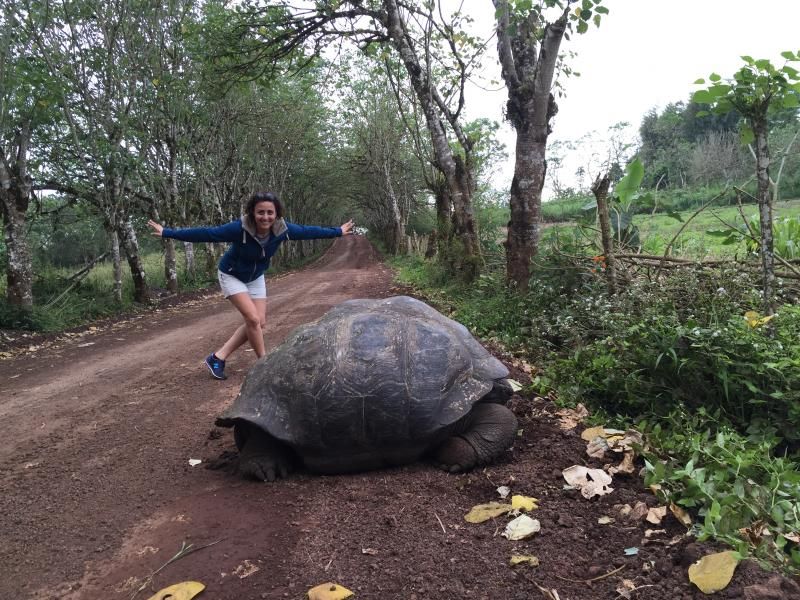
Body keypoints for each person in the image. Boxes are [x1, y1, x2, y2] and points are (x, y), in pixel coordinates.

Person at [147, 191, 354, 380]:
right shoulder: (239, 229)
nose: (265, 217)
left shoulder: (282, 229)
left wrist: (337, 231)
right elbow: (207, 234)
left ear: (277, 214)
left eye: (270, 213)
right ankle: (265, 364)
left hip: (255, 277)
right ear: (253, 213)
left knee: (258, 322)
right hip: (231, 275)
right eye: (260, 212)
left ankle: (217, 357)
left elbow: (308, 231)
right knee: (253, 319)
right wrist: (168, 232)